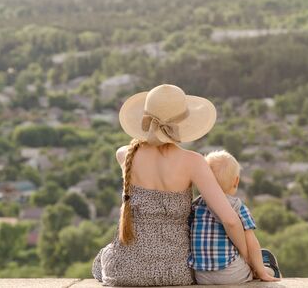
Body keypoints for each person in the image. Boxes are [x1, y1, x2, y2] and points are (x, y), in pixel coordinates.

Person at [92, 84, 250, 286]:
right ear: (183, 125)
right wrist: (247, 260)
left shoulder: (124, 155)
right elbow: (230, 220)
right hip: (176, 271)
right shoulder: (193, 162)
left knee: (102, 258)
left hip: (122, 271)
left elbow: (134, 146)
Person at [188, 150, 281, 284]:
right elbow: (251, 243)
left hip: (202, 276)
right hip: (230, 274)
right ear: (236, 181)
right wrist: (260, 271)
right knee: (256, 265)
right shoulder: (236, 206)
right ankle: (269, 269)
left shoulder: (196, 206)